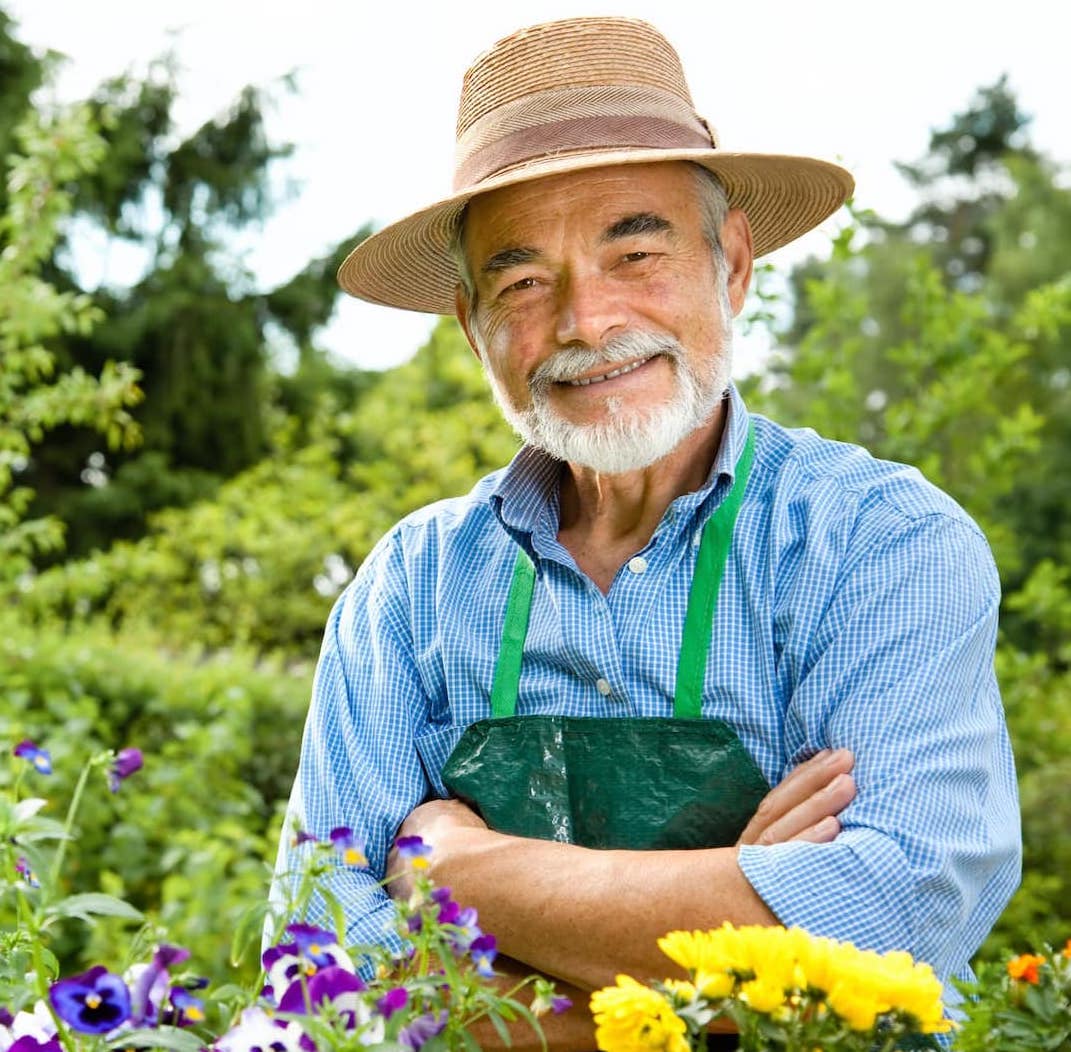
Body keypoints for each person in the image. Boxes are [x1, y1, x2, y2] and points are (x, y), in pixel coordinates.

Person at [271, 16, 1021, 1049]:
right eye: (523, 281)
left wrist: (458, 871)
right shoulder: (410, 588)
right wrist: (744, 929)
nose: (586, 320)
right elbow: (319, 962)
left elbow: (890, 921)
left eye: (635, 248)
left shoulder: (879, 545)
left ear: (736, 262)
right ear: (471, 324)